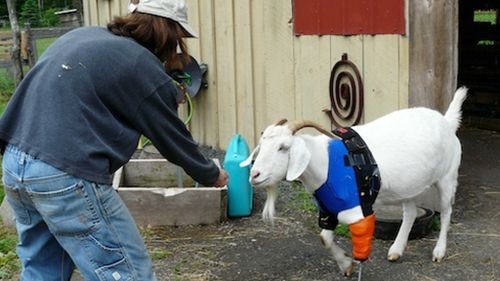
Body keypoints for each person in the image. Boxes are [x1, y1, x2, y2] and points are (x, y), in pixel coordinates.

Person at [0, 0, 228, 280]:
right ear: (167, 32)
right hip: (65, 174)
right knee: (127, 272)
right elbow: (172, 137)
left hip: (15, 164)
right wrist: (211, 174)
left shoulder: (83, 36)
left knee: (43, 269)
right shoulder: (140, 63)